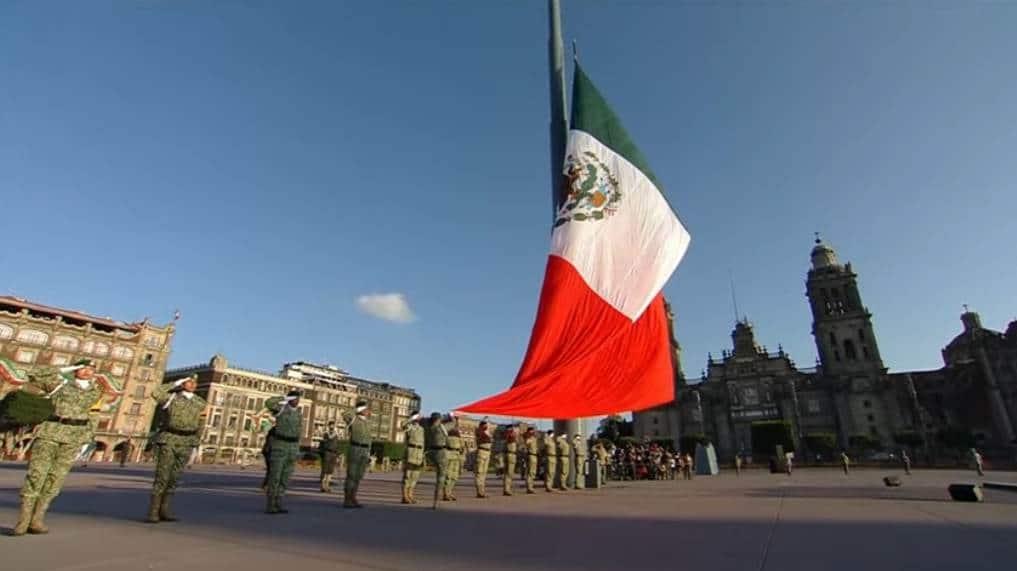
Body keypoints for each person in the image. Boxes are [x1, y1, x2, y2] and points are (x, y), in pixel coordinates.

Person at [11, 360, 104, 536]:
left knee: (56, 479)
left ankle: (37, 520)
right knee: (36, 474)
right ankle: (23, 521)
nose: (87, 371)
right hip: (51, 433)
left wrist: (87, 438)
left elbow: (94, 415)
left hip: (73, 437)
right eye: (83, 368)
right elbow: (34, 374)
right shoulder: (60, 383)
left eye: (91, 369)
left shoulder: (96, 391)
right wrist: (65, 369)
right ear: (76, 369)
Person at [146, 375, 207, 523]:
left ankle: (165, 510)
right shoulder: (170, 398)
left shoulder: (200, 402)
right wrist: (175, 383)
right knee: (162, 475)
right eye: (188, 382)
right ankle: (153, 512)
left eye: (194, 382)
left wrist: (197, 441)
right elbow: (155, 393)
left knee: (175, 477)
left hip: (187, 441)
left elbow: (201, 422)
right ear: (182, 383)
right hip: (169, 439)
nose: (191, 384)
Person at [264, 390, 303, 514]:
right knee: (275, 475)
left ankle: (279, 501)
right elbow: (269, 402)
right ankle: (271, 503)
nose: (297, 401)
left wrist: (297, 449)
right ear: (290, 399)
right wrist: (284, 398)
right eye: (295, 398)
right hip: (280, 445)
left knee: (286, 477)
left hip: (292, 447)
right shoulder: (281, 409)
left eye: (298, 399)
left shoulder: (298, 414)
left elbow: (299, 432)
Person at [343, 399, 373, 508]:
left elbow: (369, 438)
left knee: (359, 476)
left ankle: (353, 497)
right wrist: (357, 409)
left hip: (365, 450)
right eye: (365, 408)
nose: (368, 410)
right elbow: (345, 414)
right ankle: (347, 498)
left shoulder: (368, 422)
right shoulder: (354, 419)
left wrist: (369, 452)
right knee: (351, 475)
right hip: (355, 448)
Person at [427, 412, 452, 509]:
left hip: (432, 452)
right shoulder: (440, 428)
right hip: (440, 453)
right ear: (438, 419)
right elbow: (453, 423)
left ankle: (436, 501)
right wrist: (450, 416)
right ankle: (436, 502)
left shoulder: (429, 428)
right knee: (441, 478)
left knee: (439, 477)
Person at [401, 411, 424, 504]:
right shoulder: (409, 426)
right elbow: (402, 424)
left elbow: (423, 442)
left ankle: (410, 495)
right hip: (410, 453)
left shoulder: (422, 429)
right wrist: (411, 418)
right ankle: (404, 496)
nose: (420, 417)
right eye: (418, 416)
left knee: (415, 476)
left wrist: (423, 455)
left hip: (419, 454)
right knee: (407, 476)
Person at [318, 421, 341, 493]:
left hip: (333, 454)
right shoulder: (326, 433)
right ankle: (322, 486)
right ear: (329, 426)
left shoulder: (336, 434)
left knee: (330, 471)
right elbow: (327, 441)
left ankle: (327, 486)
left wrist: (337, 455)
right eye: (331, 425)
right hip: (327, 453)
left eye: (333, 426)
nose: (332, 427)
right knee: (324, 470)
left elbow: (336, 445)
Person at [444, 426, 464, 501]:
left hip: (457, 456)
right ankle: (446, 493)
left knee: (454, 476)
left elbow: (462, 448)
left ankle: (449, 492)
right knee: (449, 475)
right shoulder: (447, 437)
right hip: (450, 455)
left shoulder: (459, 438)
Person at [474, 418, 492, 498]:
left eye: (487, 425)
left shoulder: (487, 432)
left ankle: (482, 491)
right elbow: (479, 435)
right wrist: (484, 430)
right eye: (485, 424)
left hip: (487, 452)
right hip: (481, 452)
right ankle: (479, 491)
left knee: (484, 473)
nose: (487, 426)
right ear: (481, 425)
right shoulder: (479, 431)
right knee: (479, 472)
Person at [502, 423, 518, 496]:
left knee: (508, 473)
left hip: (510, 454)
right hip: (510, 454)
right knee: (509, 473)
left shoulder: (508, 434)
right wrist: (512, 432)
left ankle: (507, 489)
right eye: (512, 428)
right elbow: (512, 439)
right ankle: (507, 489)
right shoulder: (509, 434)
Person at [523, 426, 539, 493]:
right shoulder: (528, 437)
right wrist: (528, 435)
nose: (534, 432)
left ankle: (531, 487)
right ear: (529, 431)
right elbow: (526, 443)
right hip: (531, 456)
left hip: (534, 456)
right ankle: (529, 488)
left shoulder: (534, 438)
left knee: (533, 472)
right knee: (530, 472)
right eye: (532, 431)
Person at [260, 426, 275, 491]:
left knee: (270, 470)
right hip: (270, 451)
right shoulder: (275, 431)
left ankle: (266, 485)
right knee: (272, 469)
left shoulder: (273, 430)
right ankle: (267, 485)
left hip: (268, 451)